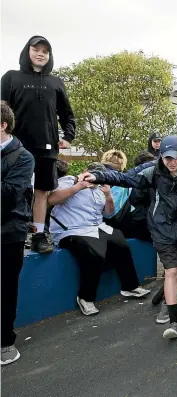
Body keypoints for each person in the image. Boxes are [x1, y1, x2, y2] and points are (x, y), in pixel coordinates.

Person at [82, 136, 177, 339]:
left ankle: (168, 297)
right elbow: (125, 178)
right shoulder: (153, 168)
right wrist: (98, 176)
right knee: (171, 271)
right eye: (167, 158)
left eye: (175, 158)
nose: (171, 163)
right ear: (161, 156)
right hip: (162, 226)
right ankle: (173, 320)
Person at [1, 35, 76, 254]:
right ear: (28, 51)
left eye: (45, 51)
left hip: (46, 147)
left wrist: (68, 136)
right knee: (13, 189)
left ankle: (38, 234)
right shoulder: (10, 78)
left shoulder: (56, 82)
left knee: (42, 192)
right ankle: (12, 231)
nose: (41, 54)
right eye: (36, 49)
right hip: (15, 148)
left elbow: (67, 115)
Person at [48, 161, 151, 316]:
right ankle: (85, 297)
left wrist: (108, 195)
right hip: (71, 229)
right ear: (85, 171)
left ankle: (130, 286)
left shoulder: (99, 189)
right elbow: (52, 199)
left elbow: (108, 214)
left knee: (120, 242)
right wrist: (79, 186)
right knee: (94, 252)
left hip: (95, 227)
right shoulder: (69, 181)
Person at [1, 101, 34, 365]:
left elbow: (9, 195)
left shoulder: (23, 157)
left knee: (5, 288)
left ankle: (4, 342)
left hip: (8, 232)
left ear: (3, 125)